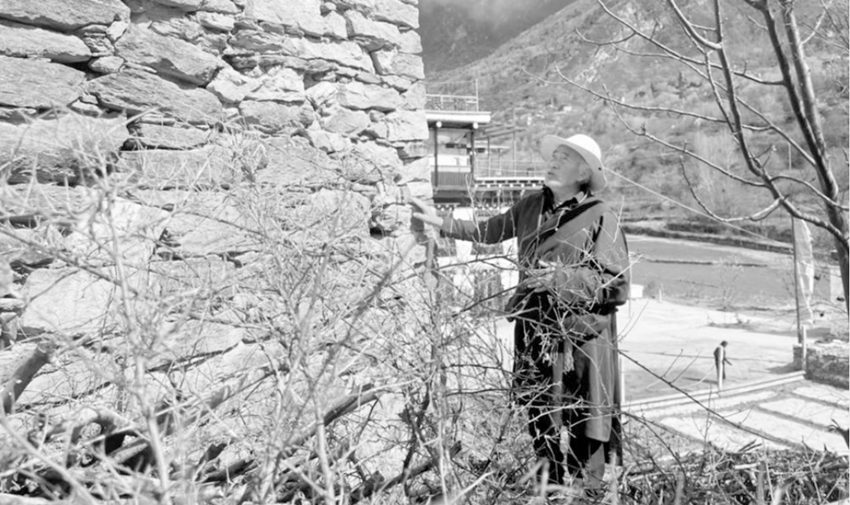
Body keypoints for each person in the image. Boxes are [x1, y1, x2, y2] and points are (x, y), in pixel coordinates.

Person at [412, 133, 630, 497]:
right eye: (554, 155)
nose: (553, 161)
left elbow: (616, 284)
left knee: (584, 422)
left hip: (582, 338)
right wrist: (442, 223)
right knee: (541, 419)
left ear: (583, 173)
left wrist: (559, 279)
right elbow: (491, 230)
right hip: (534, 329)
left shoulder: (600, 216)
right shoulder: (531, 205)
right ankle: (548, 492)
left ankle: (586, 496)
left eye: (564, 157)